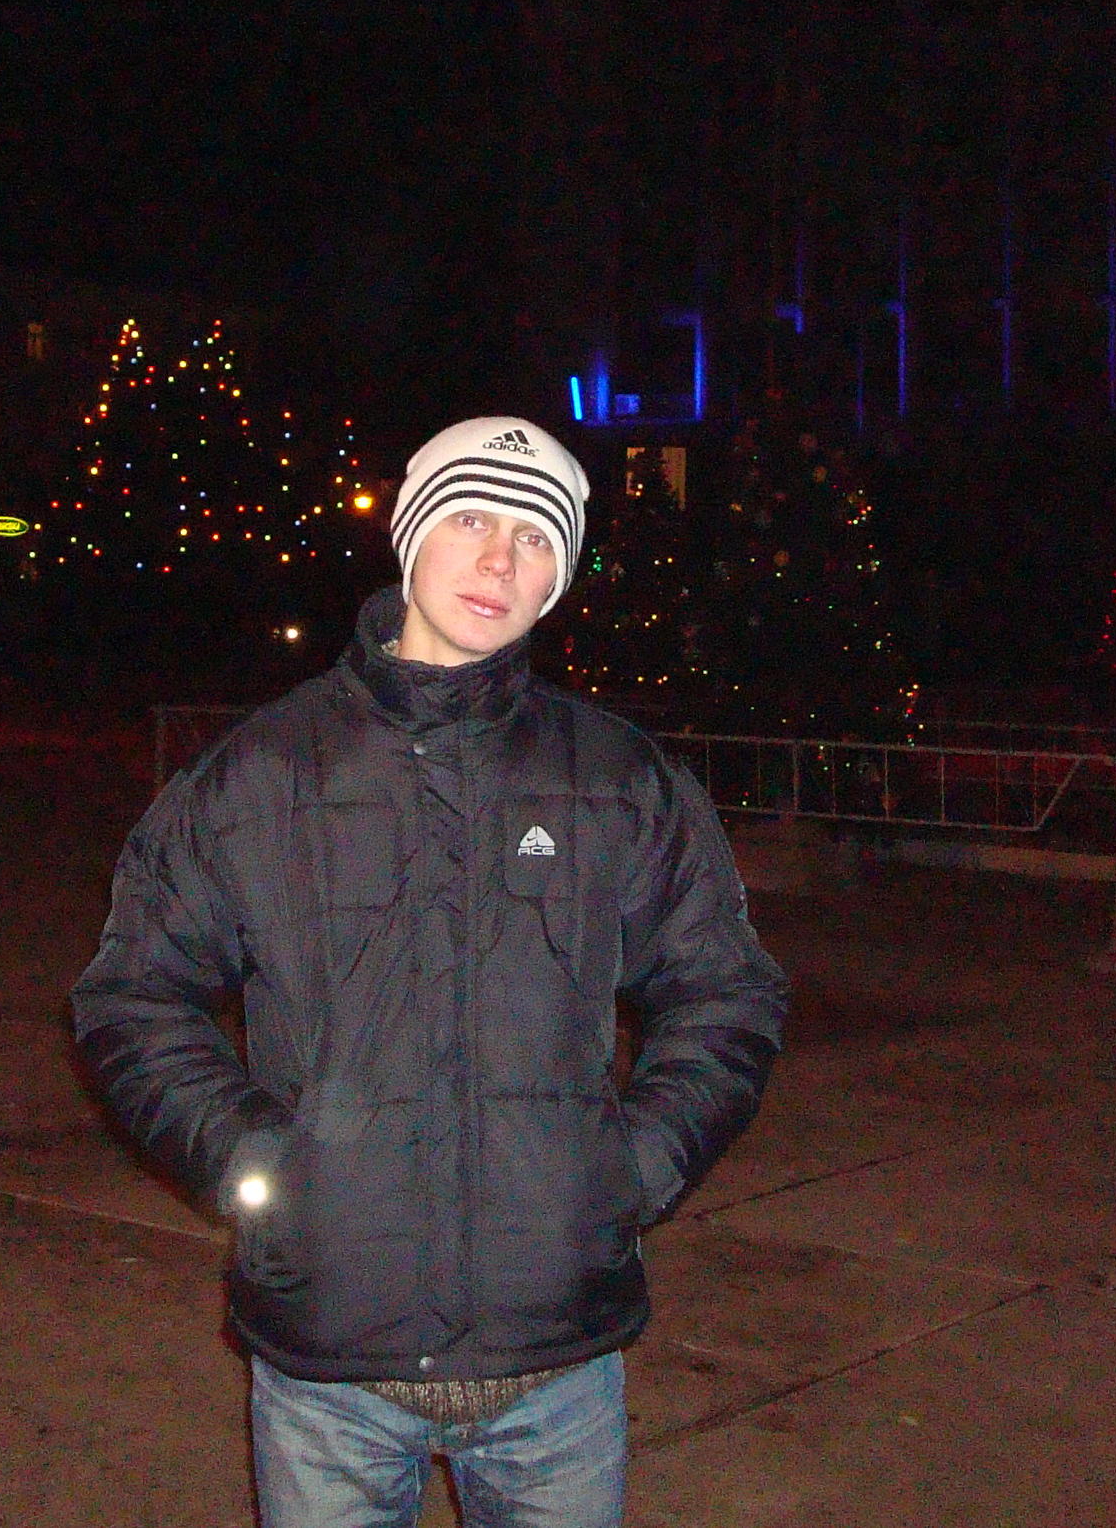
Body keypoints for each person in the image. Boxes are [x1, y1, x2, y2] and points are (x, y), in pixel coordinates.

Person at [72, 414, 789, 1528]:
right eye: (469, 520)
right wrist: (257, 1168)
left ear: (557, 580)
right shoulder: (263, 773)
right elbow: (132, 996)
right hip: (328, 1367)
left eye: (534, 538)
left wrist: (632, 1168)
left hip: (557, 1367)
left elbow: (726, 993)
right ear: (410, 535)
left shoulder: (618, 779)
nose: (498, 559)